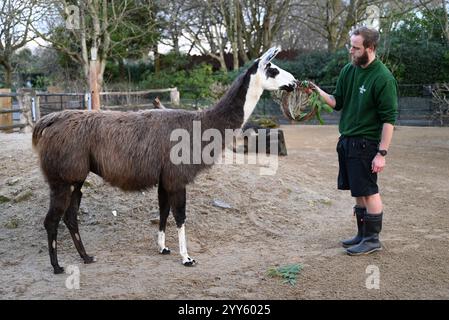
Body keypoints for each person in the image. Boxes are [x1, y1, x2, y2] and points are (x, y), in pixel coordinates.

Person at [307, 26, 398, 255]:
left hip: (367, 143)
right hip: (347, 140)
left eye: (356, 48)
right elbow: (337, 102)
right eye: (351, 46)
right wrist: (316, 90)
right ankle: (361, 234)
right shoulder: (349, 70)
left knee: (369, 191)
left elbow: (389, 120)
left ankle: (372, 239)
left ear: (370, 48)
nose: (351, 51)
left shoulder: (383, 78)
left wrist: (382, 153)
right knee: (358, 192)